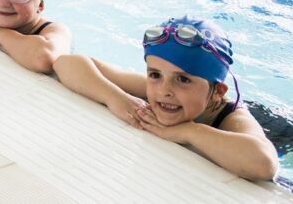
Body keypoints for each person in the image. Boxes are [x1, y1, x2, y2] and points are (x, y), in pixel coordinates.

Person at [53, 15, 279, 181]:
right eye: (155, 74)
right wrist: (115, 98)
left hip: (277, 128)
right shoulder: (159, 91)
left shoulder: (231, 117)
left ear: (218, 92)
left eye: (183, 79)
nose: (164, 90)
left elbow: (264, 164)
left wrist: (187, 131)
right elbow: (66, 62)